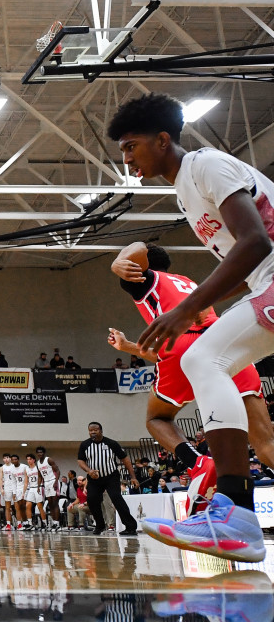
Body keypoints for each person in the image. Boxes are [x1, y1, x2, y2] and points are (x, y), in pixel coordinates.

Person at [109, 93, 274, 562]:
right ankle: (234, 511)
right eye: (122, 149)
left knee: (202, 357)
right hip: (264, 284)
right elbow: (243, 264)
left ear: (163, 140)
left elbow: (257, 241)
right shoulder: (184, 189)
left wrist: (186, 310)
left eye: (131, 145)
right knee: (206, 360)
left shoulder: (207, 166)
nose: (127, 157)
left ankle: (235, 513)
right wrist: (198, 307)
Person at [107, 241, 274, 510]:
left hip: (183, 346)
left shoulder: (148, 279)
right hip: (227, 343)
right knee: (266, 444)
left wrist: (120, 258)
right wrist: (127, 346)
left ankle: (198, 462)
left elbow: (137, 247)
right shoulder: (189, 282)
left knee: (157, 418)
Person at [76, 422, 139, 536]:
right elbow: (80, 461)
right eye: (90, 430)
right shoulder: (85, 445)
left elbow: (125, 460)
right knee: (92, 500)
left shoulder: (111, 443)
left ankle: (130, 526)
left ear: (101, 431)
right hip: (94, 478)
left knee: (116, 498)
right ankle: (100, 525)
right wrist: (89, 471)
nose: (93, 432)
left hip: (111, 476)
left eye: (95, 429)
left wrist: (133, 477)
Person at [35, 446, 62, 530]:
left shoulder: (49, 460)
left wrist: (56, 482)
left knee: (55, 503)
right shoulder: (38, 463)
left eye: (41, 452)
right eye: (38, 452)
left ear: (44, 453)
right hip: (46, 483)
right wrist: (39, 486)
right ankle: (54, 522)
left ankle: (57, 524)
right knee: (50, 504)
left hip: (53, 480)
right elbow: (39, 475)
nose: (40, 454)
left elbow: (57, 471)